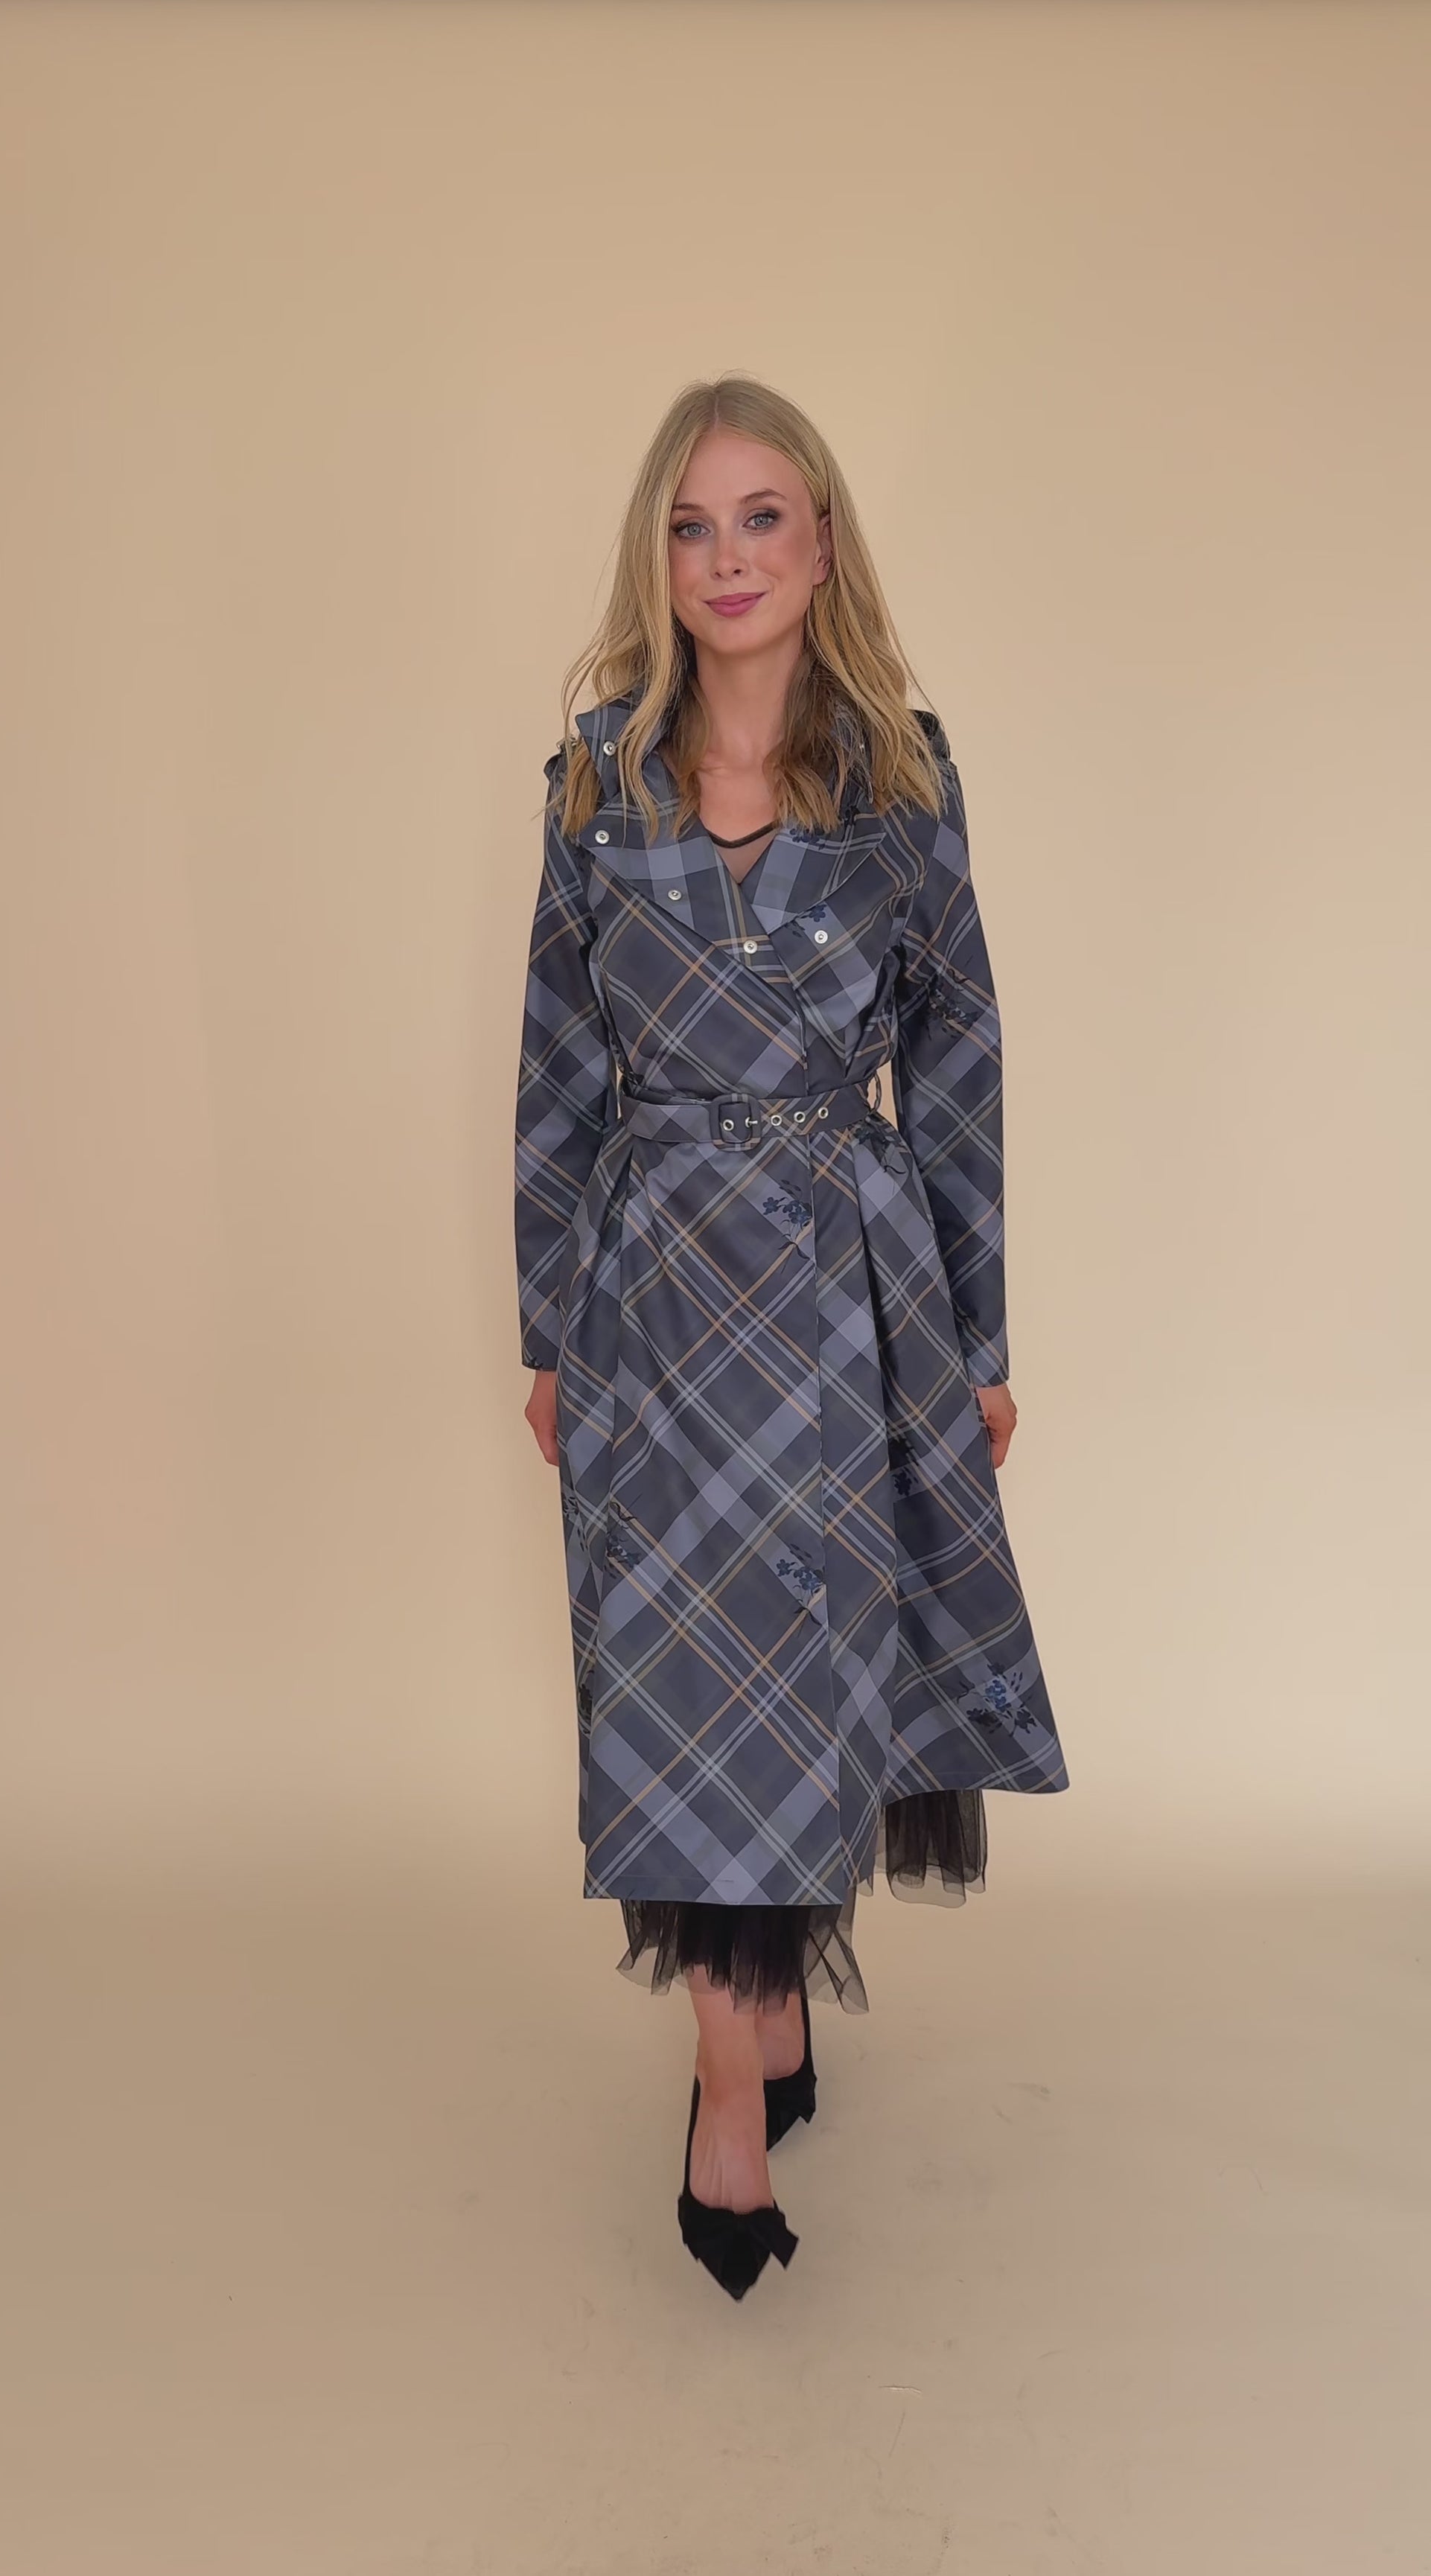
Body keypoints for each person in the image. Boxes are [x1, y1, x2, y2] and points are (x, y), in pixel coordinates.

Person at [514, 374, 1069, 2298]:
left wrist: (979, 1339)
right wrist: (546, 1326)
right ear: (654, 561)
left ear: (823, 543)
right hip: (652, 1302)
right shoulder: (594, 786)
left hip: (849, 1296)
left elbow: (963, 1068)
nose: (727, 557)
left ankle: (763, 2019)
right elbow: (554, 1076)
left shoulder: (903, 781)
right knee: (675, 1683)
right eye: (691, 525)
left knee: (811, 1676)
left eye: (762, 517)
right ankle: (731, 2087)